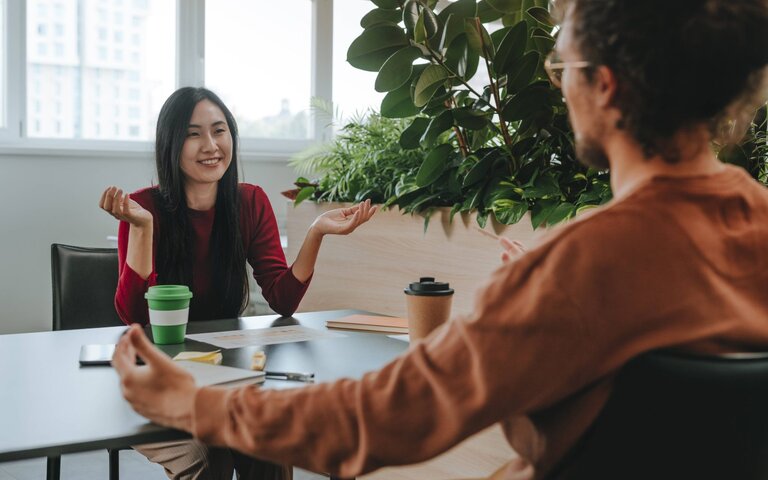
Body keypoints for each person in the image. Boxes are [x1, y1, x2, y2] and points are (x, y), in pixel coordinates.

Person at [112, 1, 768, 479]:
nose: (557, 82)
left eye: (560, 64)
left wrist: (201, 406)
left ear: (604, 84)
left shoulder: (582, 270)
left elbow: (390, 415)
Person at [99, 87, 375, 479]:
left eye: (220, 130)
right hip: (157, 380)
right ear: (172, 143)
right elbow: (135, 317)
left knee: (269, 441)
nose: (211, 145)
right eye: (194, 134)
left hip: (227, 377)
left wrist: (315, 233)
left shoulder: (249, 203)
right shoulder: (142, 208)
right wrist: (142, 227)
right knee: (208, 458)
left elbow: (281, 300)